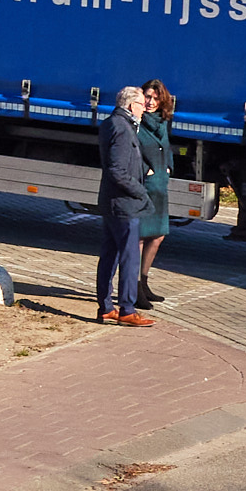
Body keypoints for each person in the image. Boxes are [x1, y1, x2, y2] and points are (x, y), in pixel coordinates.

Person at [96, 80, 172, 324]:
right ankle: (127, 310)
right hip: (124, 203)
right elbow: (117, 170)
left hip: (114, 201)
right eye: (140, 103)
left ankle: (106, 306)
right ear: (130, 105)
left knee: (109, 254)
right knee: (129, 257)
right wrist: (140, 191)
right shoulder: (122, 128)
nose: (144, 107)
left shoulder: (114, 123)